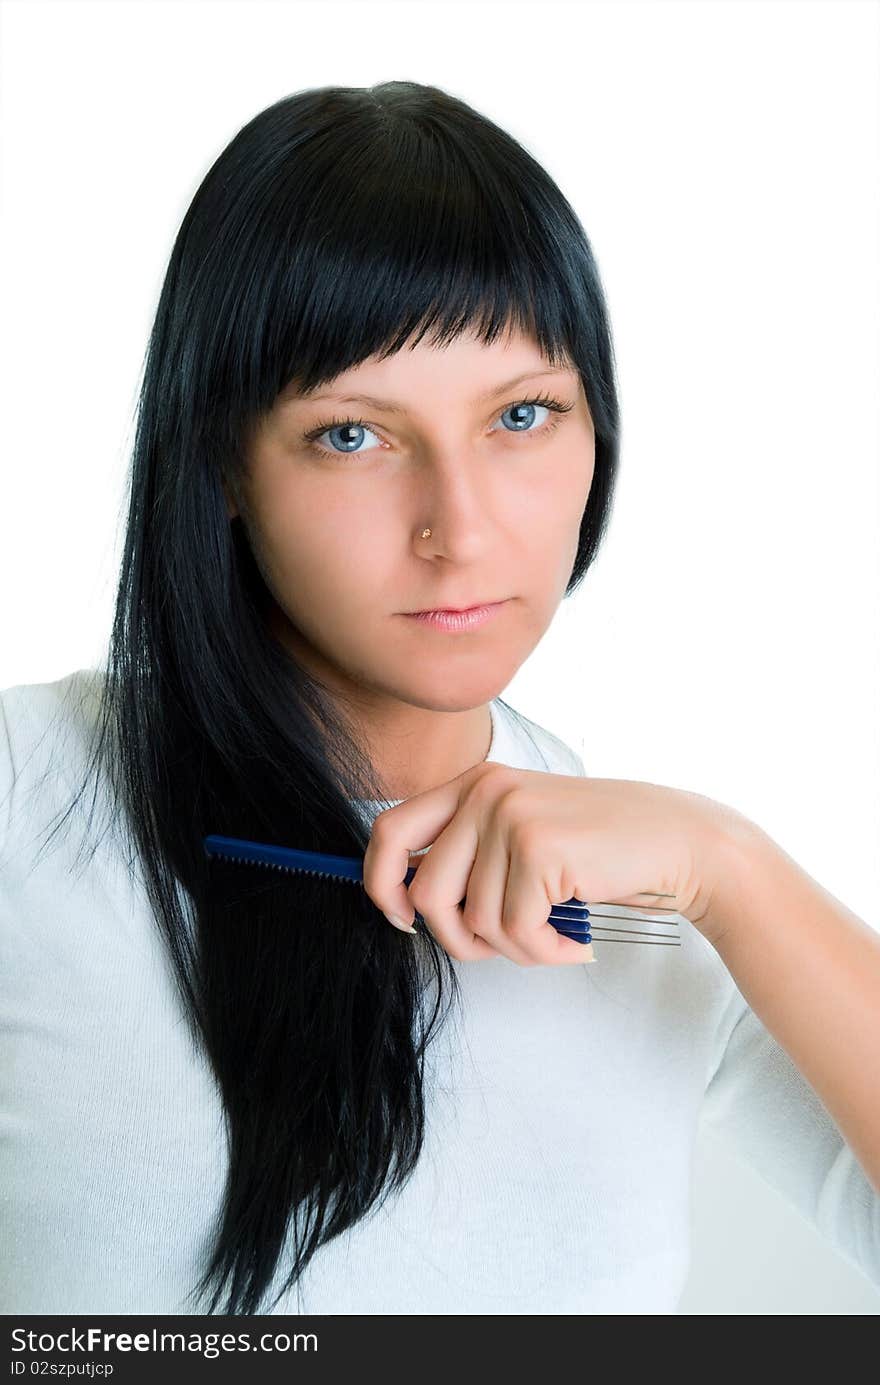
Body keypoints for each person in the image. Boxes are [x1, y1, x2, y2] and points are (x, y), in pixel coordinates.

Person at [1, 80, 878, 1317]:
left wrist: (729, 864)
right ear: (220, 459)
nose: (459, 530)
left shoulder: (660, 894)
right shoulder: (27, 790)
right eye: (353, 434)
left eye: (522, 415)